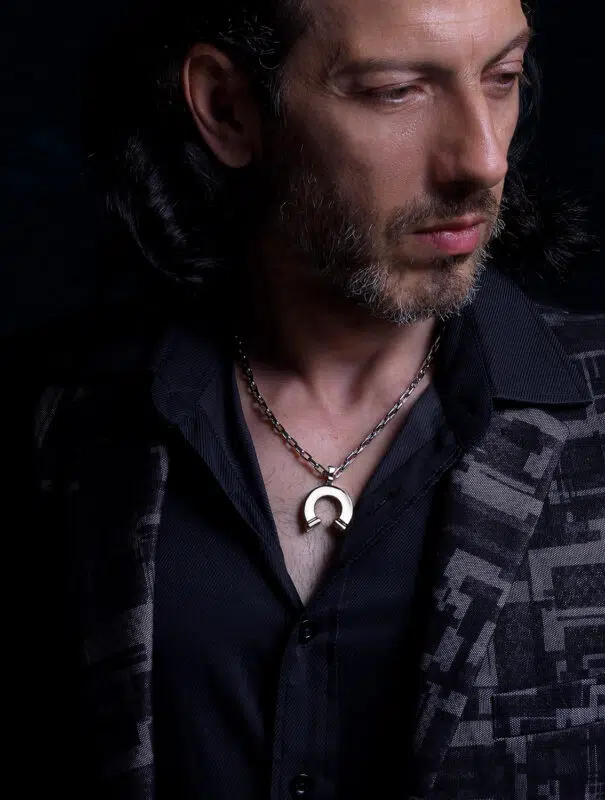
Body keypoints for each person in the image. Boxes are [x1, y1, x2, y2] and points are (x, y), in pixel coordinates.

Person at [25, 0, 603, 798]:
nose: (481, 159)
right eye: (396, 91)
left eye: (501, 77)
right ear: (228, 109)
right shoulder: (56, 420)